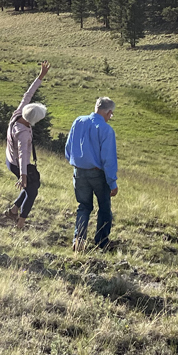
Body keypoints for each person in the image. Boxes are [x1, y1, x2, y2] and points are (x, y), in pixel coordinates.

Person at [64, 97, 118, 252]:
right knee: (104, 208)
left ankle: (79, 241)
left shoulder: (78, 121)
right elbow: (108, 160)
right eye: (111, 114)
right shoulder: (106, 129)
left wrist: (76, 162)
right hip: (98, 174)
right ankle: (101, 242)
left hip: (79, 171)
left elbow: (68, 149)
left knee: (84, 207)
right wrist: (112, 183)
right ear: (108, 112)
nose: (110, 117)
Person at [4, 62, 50, 229]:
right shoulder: (23, 133)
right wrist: (23, 176)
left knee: (32, 186)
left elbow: (28, 94)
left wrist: (40, 76)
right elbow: (23, 155)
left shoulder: (18, 113)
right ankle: (20, 224)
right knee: (32, 191)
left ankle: (14, 211)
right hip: (17, 163)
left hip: (9, 159)